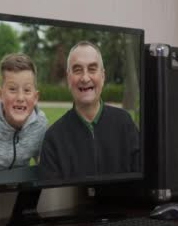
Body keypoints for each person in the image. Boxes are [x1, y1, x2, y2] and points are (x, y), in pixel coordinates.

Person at [39, 41, 140, 180]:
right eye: (77, 70)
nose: (85, 78)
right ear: (69, 78)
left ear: (103, 76)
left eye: (92, 69)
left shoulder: (125, 124)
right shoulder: (54, 138)